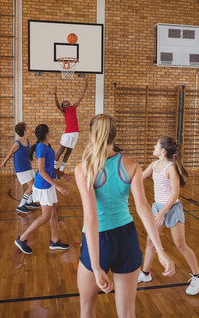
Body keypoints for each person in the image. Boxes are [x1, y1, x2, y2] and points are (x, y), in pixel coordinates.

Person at [74, 114, 175, 318]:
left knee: (87, 309)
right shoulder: (130, 164)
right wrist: (161, 251)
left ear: (92, 136)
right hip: (127, 238)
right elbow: (143, 207)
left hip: (99, 241)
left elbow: (91, 218)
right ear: (115, 136)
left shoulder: (83, 168)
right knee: (128, 314)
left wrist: (96, 266)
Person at [138, 136, 199, 295]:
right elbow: (139, 177)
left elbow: (175, 193)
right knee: (150, 240)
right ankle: (145, 273)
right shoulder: (154, 165)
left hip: (172, 209)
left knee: (180, 245)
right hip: (158, 208)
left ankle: (198, 276)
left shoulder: (171, 168)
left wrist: (162, 212)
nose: (153, 146)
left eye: (156, 144)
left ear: (163, 150)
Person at [14, 124, 73, 254]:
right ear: (47, 133)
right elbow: (41, 171)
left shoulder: (47, 147)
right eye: (50, 130)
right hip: (43, 186)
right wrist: (57, 185)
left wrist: (62, 174)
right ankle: (22, 238)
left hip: (48, 184)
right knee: (46, 216)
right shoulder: (41, 148)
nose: (51, 132)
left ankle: (55, 240)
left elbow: (49, 169)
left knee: (55, 210)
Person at [0, 122, 40, 214]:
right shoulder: (17, 143)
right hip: (21, 168)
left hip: (27, 166)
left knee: (35, 183)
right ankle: (21, 206)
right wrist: (4, 162)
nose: (29, 129)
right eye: (28, 128)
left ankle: (29, 202)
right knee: (32, 186)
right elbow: (10, 152)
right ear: (24, 131)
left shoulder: (27, 141)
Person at [52, 77, 88, 179]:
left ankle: (61, 170)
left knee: (68, 152)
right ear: (63, 105)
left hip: (75, 133)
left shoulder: (73, 108)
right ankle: (53, 169)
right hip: (68, 133)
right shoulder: (64, 111)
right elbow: (57, 104)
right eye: (65, 102)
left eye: (68, 101)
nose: (67, 102)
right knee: (61, 150)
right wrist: (55, 94)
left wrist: (85, 86)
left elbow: (80, 97)